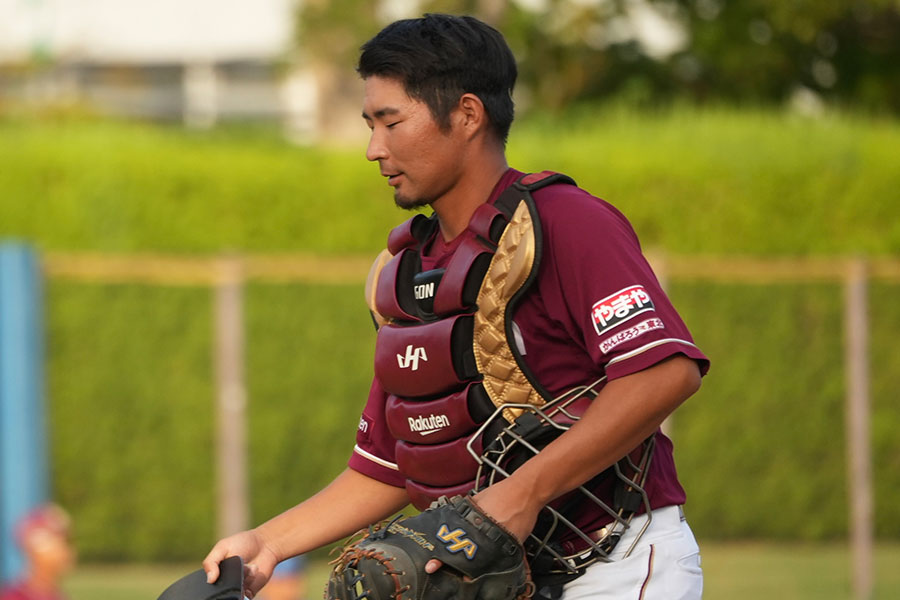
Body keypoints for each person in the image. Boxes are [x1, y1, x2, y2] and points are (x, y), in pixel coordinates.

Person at [204, 13, 709, 600]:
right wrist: (267, 544)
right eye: (370, 124)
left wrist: (520, 496)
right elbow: (389, 463)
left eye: (391, 122)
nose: (374, 148)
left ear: (468, 114)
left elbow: (664, 372)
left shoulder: (566, 223)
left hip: (614, 565)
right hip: (502, 583)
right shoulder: (407, 272)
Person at [0, 504, 75, 600]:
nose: (67, 550)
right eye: (59, 541)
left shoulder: (53, 594)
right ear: (36, 550)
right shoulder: (14, 597)